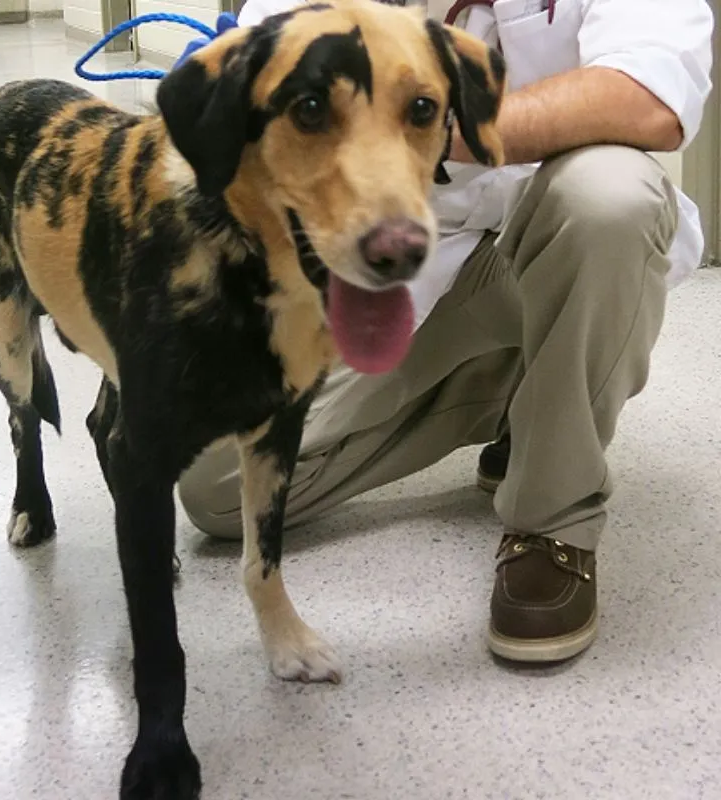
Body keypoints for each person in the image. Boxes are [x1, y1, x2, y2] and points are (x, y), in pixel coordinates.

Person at [178, 0, 715, 663]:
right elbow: (250, 91)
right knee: (217, 492)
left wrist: (417, 116)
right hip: (396, 268)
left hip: (550, 245)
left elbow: (647, 100)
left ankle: (553, 521)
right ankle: (524, 398)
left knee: (611, 195)